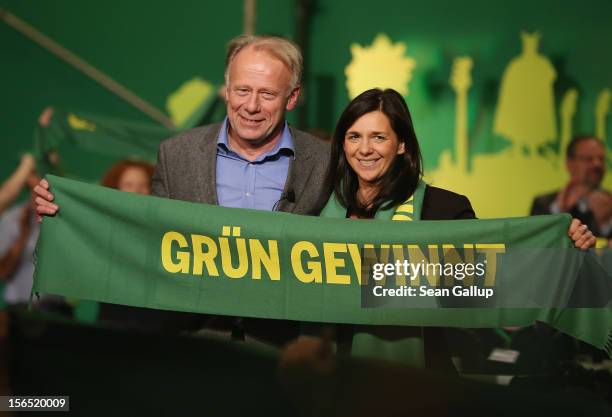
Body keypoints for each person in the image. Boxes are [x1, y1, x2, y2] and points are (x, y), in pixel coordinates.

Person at [33, 35, 331, 345]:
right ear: (227, 90)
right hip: (193, 345)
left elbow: (354, 243)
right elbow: (147, 240)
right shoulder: (177, 154)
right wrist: (66, 216)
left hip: (288, 355)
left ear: (292, 97)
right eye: (242, 90)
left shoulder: (325, 162)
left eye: (267, 94)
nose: (251, 106)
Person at [318, 88, 595, 369]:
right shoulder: (317, 207)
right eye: (354, 136)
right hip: (323, 380)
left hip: (419, 385)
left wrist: (561, 240)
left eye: (379, 137)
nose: (364, 149)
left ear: (401, 144)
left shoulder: (444, 210)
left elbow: (502, 277)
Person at [531, 135, 611, 238]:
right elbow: (535, 244)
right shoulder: (543, 203)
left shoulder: (609, 205)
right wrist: (559, 210)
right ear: (570, 163)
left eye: (601, 159)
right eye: (588, 159)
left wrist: (605, 224)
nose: (597, 164)